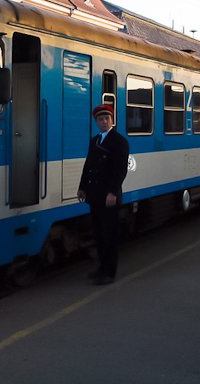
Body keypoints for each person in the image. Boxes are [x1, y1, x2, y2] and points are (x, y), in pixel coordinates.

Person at [77, 103, 129, 285]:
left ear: (112, 120)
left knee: (110, 235)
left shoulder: (119, 141)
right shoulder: (95, 141)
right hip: (95, 195)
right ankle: (101, 268)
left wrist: (112, 192)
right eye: (100, 119)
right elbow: (88, 166)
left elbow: (119, 170)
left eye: (107, 118)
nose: (104, 121)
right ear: (96, 122)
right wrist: (82, 187)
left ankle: (109, 272)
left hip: (109, 197)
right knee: (98, 234)